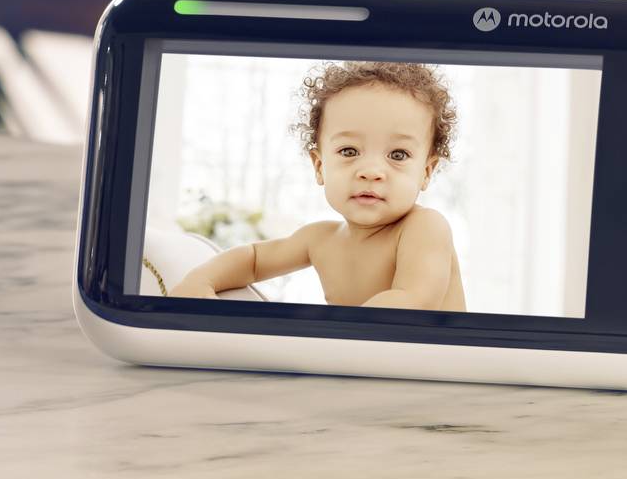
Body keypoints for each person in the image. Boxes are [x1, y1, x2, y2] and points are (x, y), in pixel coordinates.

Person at [174, 61, 467, 310]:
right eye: (349, 151)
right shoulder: (320, 239)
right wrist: (201, 280)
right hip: (361, 356)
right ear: (319, 165)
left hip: (437, 361)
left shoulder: (424, 228)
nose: (370, 172)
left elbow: (414, 300)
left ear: (426, 172)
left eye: (398, 155)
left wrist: (332, 339)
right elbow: (253, 260)